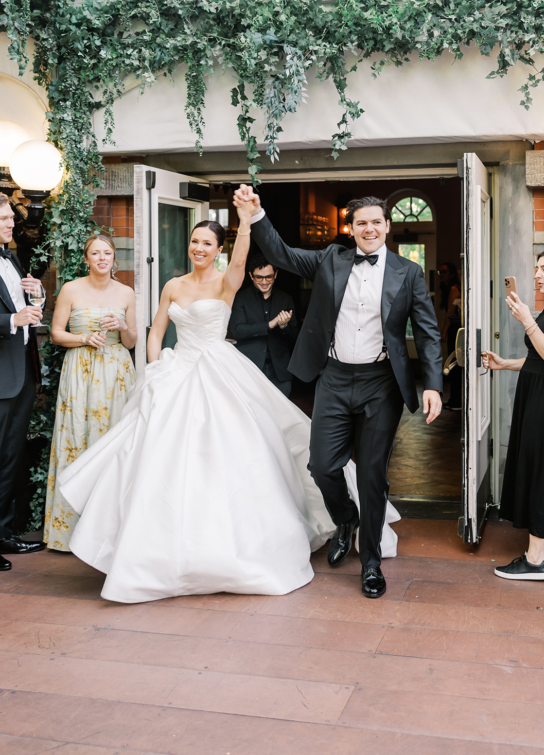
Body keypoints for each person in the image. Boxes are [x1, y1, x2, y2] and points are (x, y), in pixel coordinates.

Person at [58, 212, 399, 603]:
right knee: (156, 456)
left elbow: (241, 260)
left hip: (217, 369)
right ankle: (156, 547)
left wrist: (245, 219)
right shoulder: (171, 285)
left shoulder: (227, 281)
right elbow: (155, 333)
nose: (199, 248)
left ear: (218, 250)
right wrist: (151, 372)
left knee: (233, 449)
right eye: (194, 242)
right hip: (175, 371)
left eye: (207, 243)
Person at [234, 185, 443, 599]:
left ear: (387, 226)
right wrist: (257, 215)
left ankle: (370, 563)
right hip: (333, 377)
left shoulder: (408, 272)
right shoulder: (331, 259)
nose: (369, 229)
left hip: (380, 384)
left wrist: (434, 384)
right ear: (352, 228)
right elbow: (281, 254)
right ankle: (344, 519)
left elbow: (428, 332)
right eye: (361, 222)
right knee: (323, 466)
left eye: (376, 222)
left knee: (371, 476)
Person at [483, 247, 544, 581]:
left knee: (543, 467)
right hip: (538, 393)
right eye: (536, 269)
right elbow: (538, 360)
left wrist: (527, 320)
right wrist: (504, 363)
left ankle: (536, 558)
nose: (537, 275)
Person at [43, 232, 136, 551]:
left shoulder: (126, 293)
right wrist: (83, 338)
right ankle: (71, 533)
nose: (101, 258)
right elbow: (56, 334)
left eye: (107, 253)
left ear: (114, 259)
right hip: (80, 373)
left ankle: (112, 533)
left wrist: (123, 327)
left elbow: (132, 342)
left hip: (117, 373)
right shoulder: (71, 289)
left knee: (115, 443)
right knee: (78, 439)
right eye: (95, 253)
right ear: (86, 259)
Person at [0, 193, 46, 572]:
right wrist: (12, 321)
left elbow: (21, 306)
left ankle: (4, 534)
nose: (9, 224)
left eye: (9, 219)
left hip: (23, 373)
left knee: (10, 459)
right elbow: (10, 318)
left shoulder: (11, 257)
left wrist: (35, 297)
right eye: (2, 219)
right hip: (0, 377)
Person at [229, 253, 298, 396]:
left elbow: (295, 338)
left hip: (280, 372)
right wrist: (270, 324)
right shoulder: (240, 298)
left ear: (276, 275)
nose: (264, 281)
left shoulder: (285, 299)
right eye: (259, 277)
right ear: (251, 275)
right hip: (249, 368)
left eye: (269, 277)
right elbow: (237, 331)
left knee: (282, 415)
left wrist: (284, 326)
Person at [438, 262, 461, 410]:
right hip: (452, 328)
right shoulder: (448, 289)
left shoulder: (454, 289)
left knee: (454, 363)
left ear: (452, 274)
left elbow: (450, 313)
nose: (442, 275)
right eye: (440, 272)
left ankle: (457, 400)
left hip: (454, 328)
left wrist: (444, 330)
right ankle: (454, 399)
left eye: (445, 272)